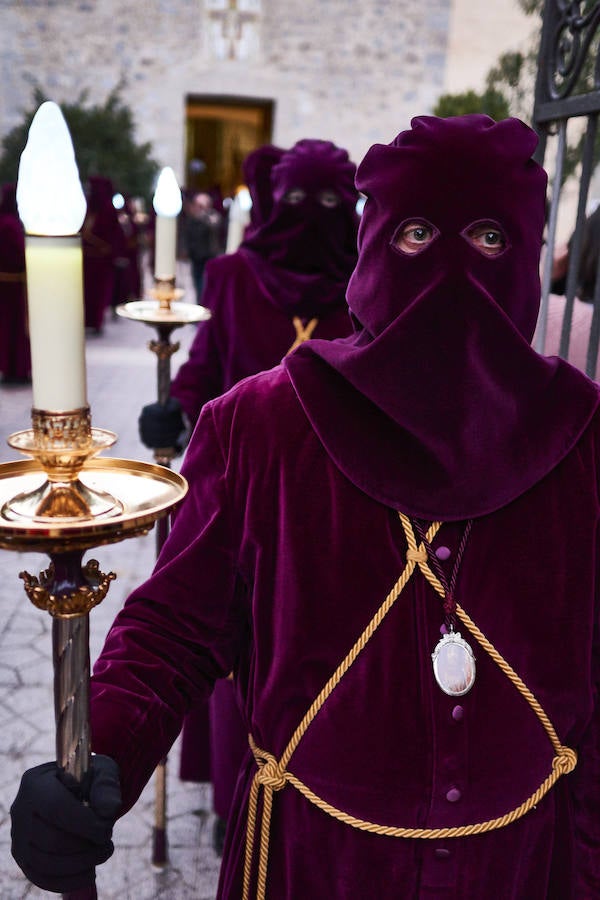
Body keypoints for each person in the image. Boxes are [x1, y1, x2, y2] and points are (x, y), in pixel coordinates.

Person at [11, 115, 600, 899]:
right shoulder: (261, 424)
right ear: (375, 246)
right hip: (310, 863)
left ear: (526, 258)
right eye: (420, 232)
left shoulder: (584, 435)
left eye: (490, 238)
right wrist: (102, 750)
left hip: (525, 866)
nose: (456, 268)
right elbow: (173, 631)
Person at [140, 138, 359, 855]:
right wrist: (175, 408)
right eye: (298, 201)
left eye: (331, 204)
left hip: (340, 506)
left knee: (319, 660)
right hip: (243, 497)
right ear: (275, 200)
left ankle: (324, 798)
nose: (311, 218)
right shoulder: (234, 276)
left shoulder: (366, 281)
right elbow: (204, 371)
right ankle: (245, 801)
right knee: (235, 650)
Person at [0, 183, 30, 383]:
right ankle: (16, 369)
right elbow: (21, 253)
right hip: (14, 285)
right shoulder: (10, 224)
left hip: (6, 284)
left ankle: (9, 367)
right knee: (16, 328)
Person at [183, 191, 224, 302]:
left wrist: (204, 215)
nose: (199, 207)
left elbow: (214, 226)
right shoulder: (192, 219)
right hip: (196, 257)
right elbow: (189, 235)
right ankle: (200, 304)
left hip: (209, 256)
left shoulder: (212, 217)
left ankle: (206, 305)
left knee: (206, 284)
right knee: (197, 284)